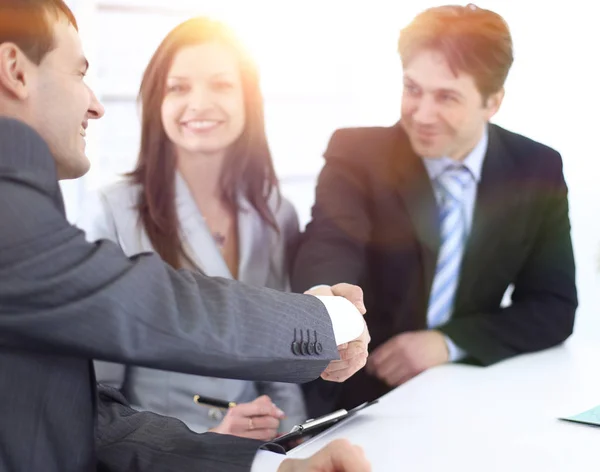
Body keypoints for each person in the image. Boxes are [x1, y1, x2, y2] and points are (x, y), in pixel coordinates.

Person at [0, 1, 371, 470]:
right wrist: (330, 320)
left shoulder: (274, 212)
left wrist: (274, 460)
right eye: (78, 73)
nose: (95, 104)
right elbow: (151, 311)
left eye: (221, 85)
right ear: (14, 70)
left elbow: (85, 417)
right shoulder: (57, 210)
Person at [292, 3, 577, 417]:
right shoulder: (357, 154)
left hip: (472, 392)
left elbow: (553, 306)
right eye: (412, 89)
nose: (422, 115)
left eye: (447, 97)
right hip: (359, 395)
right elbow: (331, 241)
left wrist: (446, 342)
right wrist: (326, 304)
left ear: (492, 102)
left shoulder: (537, 168)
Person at [78, 17, 308, 439]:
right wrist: (209, 444)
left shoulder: (275, 212)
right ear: (156, 102)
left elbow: (283, 366)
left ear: (248, 99)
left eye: (221, 85)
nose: (199, 103)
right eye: (178, 87)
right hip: (164, 452)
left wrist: (296, 441)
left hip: (263, 449)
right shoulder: (114, 209)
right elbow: (97, 389)